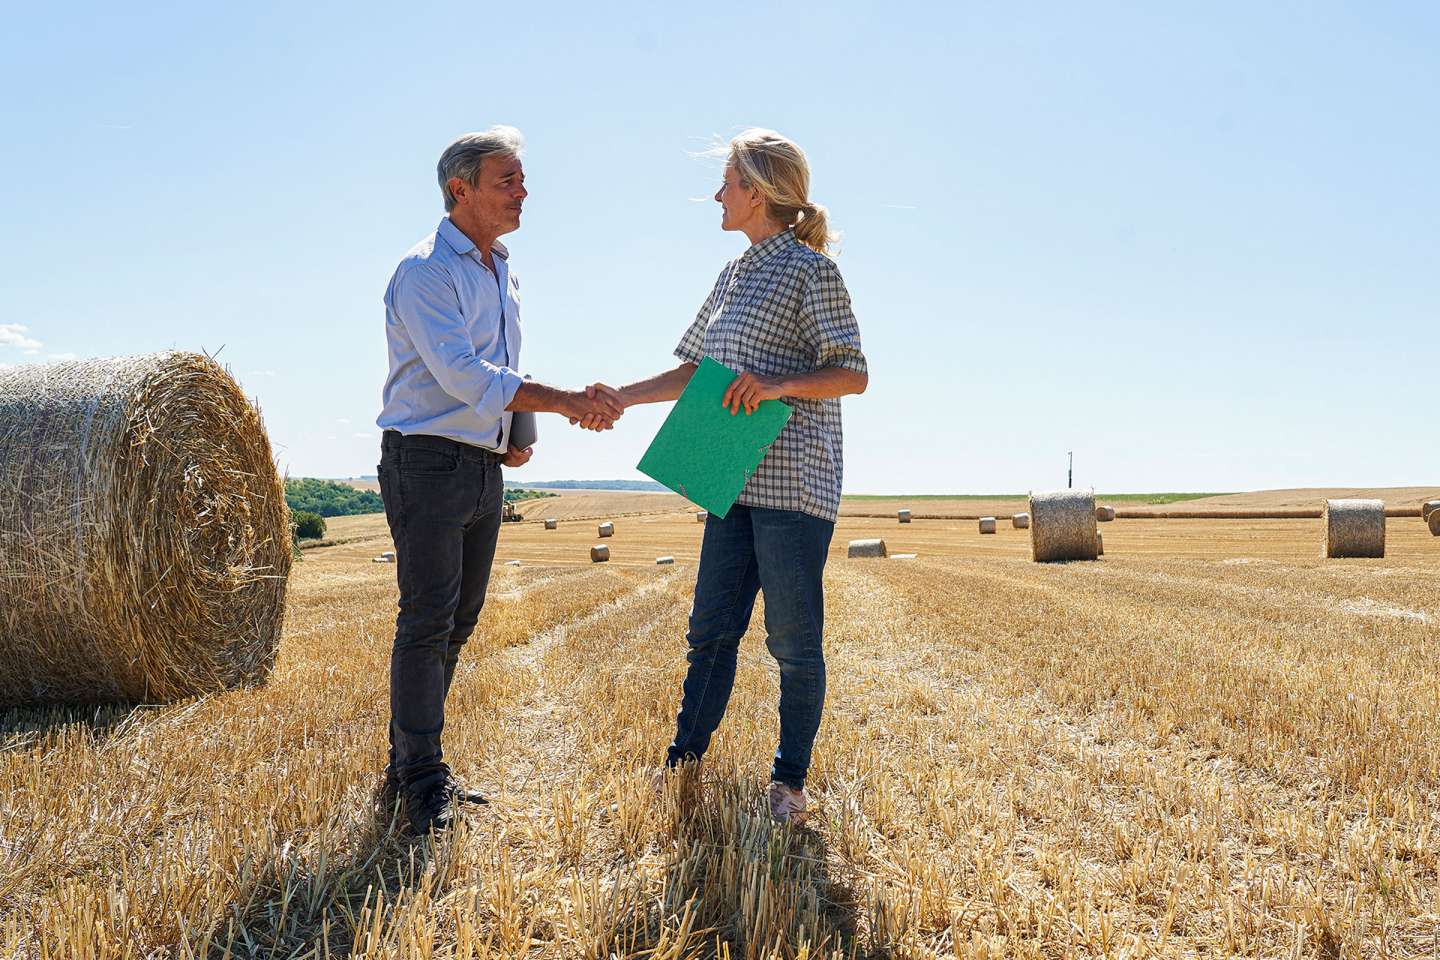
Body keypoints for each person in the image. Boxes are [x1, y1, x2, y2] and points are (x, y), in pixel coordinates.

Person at [599, 128, 868, 824]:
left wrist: (777, 385)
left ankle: (789, 783)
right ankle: (682, 763)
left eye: (727, 182)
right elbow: (696, 371)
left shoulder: (812, 272)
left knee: (792, 643)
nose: (718, 194)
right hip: (728, 472)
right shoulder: (732, 274)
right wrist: (620, 397)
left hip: (792, 484)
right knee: (710, 631)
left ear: (758, 190)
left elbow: (852, 373)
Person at [375, 126, 623, 834]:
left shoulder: (501, 268)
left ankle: (408, 768)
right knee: (427, 621)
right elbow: (464, 374)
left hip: (481, 466)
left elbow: (503, 362)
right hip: (426, 461)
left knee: (458, 621)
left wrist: (519, 430)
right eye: (506, 180)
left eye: (521, 179)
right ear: (461, 190)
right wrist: (567, 401)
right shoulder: (425, 272)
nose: (523, 192)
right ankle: (422, 781)